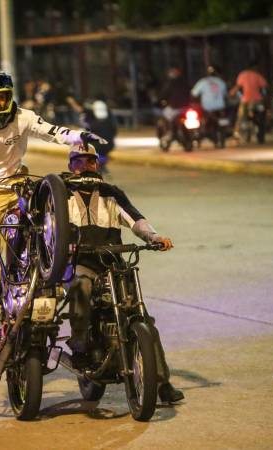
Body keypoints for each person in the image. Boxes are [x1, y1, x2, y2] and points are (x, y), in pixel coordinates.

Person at [0, 66, 106, 309]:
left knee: (48, 222)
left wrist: (80, 136)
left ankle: (49, 270)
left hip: (19, 181)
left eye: (2, 95)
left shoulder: (24, 117)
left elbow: (52, 132)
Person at [62, 143, 184, 404]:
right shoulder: (61, 194)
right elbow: (50, 228)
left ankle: (161, 384)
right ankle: (80, 347)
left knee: (143, 318)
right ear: (70, 166)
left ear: (98, 165)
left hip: (112, 261)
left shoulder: (112, 193)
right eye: (79, 162)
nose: (86, 166)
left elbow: (135, 219)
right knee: (81, 288)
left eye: (90, 161)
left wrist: (154, 237)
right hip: (80, 262)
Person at [66, 94, 117, 174]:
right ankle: (100, 165)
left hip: (98, 146)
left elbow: (87, 133)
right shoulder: (110, 121)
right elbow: (114, 132)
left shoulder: (93, 122)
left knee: (79, 145)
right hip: (109, 145)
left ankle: (85, 167)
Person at [230, 61, 268, 143]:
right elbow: (265, 87)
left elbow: (238, 86)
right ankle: (261, 134)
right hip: (258, 101)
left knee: (240, 118)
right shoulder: (258, 76)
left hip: (245, 100)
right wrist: (265, 98)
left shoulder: (242, 75)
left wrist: (232, 93)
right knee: (261, 118)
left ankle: (236, 135)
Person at [191, 65, 228, 145]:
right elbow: (225, 95)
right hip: (220, 107)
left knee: (199, 118)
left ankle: (199, 133)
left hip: (207, 108)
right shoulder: (221, 82)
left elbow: (194, 93)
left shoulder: (203, 82)